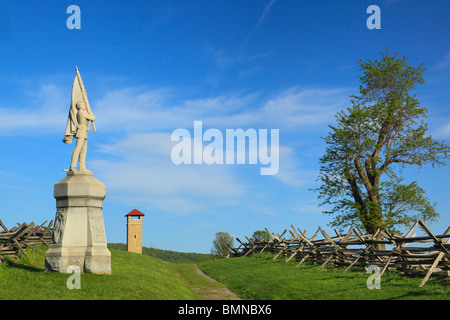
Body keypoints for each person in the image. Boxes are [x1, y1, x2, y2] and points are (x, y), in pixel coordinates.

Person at [70, 100, 95, 171]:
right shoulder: (81, 112)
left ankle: (82, 166)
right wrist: (91, 114)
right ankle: (73, 166)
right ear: (79, 106)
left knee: (83, 150)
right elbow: (93, 118)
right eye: (83, 104)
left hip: (84, 131)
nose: (85, 106)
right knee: (78, 148)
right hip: (81, 131)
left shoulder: (83, 112)